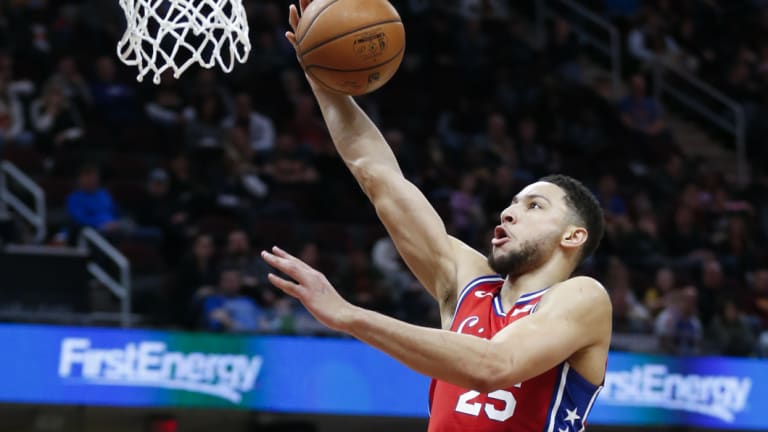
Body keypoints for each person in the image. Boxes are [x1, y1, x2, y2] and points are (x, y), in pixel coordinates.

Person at [260, 2, 612, 431]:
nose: (509, 212)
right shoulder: (467, 282)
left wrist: (349, 315)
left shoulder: (583, 298)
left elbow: (494, 365)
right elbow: (377, 173)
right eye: (513, 202)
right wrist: (322, 76)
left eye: (534, 205)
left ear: (573, 237)